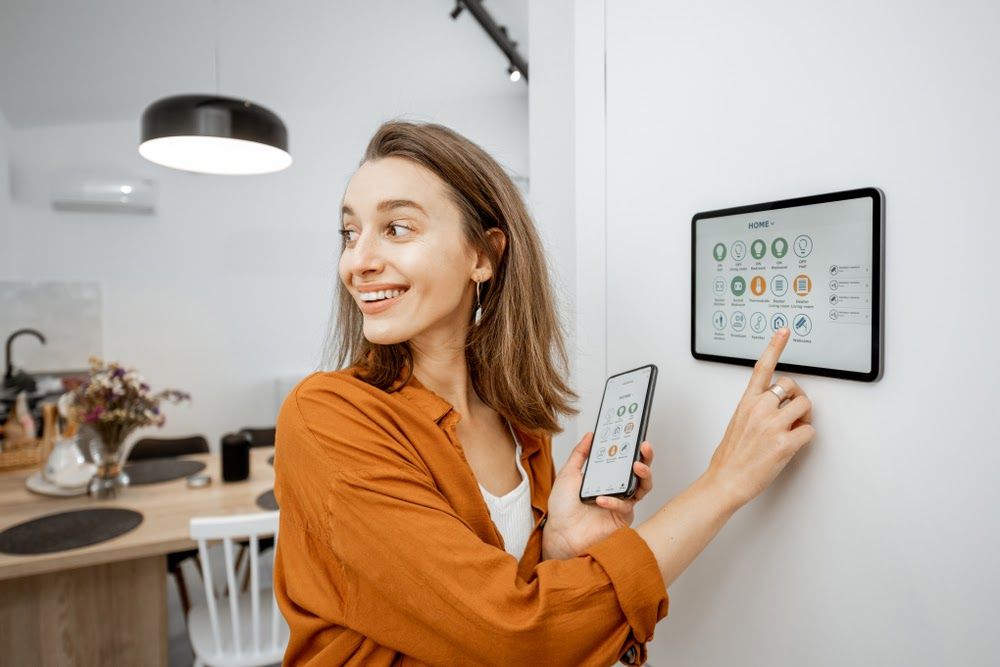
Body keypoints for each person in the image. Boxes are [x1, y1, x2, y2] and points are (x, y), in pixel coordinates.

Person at [272, 121, 814, 666]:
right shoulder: (325, 417)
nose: (357, 261)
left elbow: (505, 596)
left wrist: (556, 541)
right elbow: (515, 636)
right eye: (349, 233)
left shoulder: (518, 424)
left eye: (397, 228)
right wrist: (723, 483)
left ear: (482, 256)